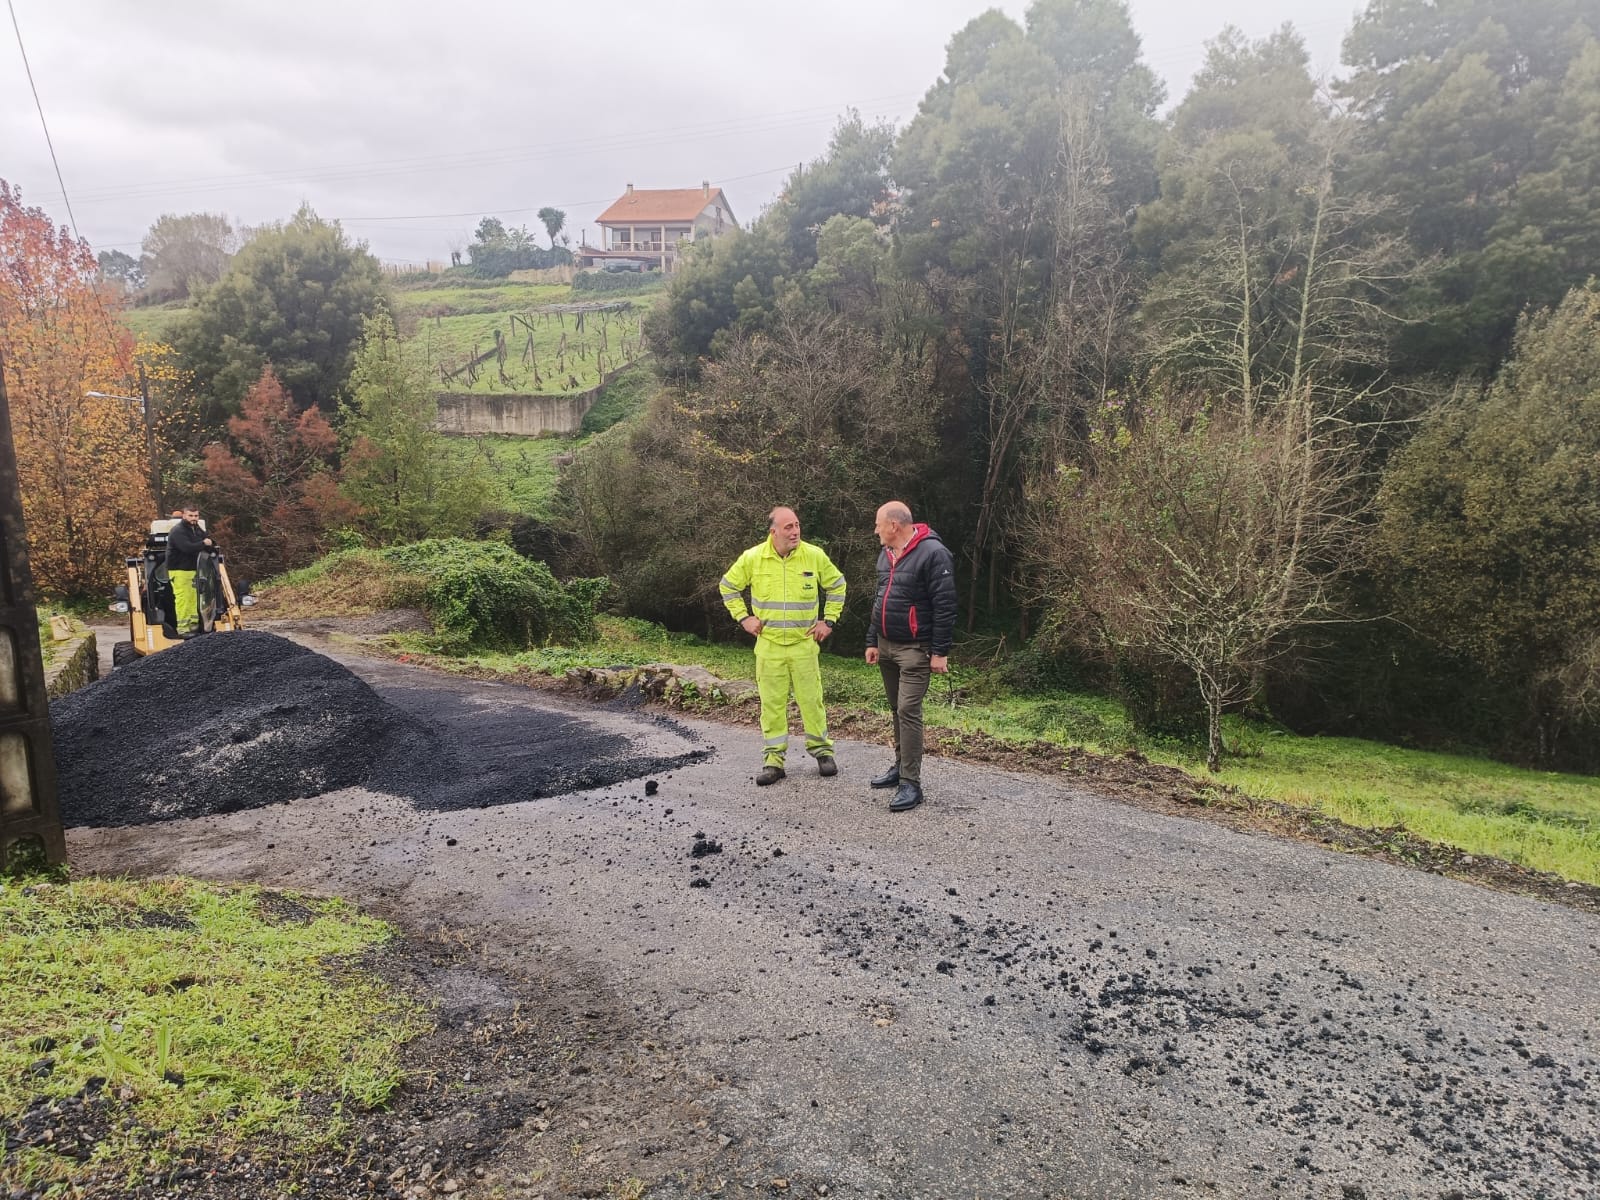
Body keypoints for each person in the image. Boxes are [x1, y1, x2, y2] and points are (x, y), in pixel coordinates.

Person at [719, 507, 847, 785]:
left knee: (812, 702)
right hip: (770, 647)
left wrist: (829, 621)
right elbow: (728, 586)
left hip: (804, 645)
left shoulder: (813, 555)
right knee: (772, 705)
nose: (795, 531)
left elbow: (837, 585)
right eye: (788, 527)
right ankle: (773, 761)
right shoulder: (753, 558)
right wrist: (743, 618)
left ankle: (823, 752)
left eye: (797, 525)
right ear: (773, 531)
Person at [864, 501, 957, 812]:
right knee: (895, 708)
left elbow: (945, 605)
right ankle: (899, 768)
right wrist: (871, 640)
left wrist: (940, 651)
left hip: (916, 648)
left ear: (894, 525)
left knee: (908, 709)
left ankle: (911, 784)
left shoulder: (933, 554)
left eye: (878, 524)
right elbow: (880, 599)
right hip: (886, 644)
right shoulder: (886, 554)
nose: (875, 530)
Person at [165, 503, 214, 636]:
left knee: (194, 600)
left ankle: (193, 627)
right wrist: (203, 543)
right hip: (180, 570)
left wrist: (207, 544)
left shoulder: (197, 529)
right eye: (191, 515)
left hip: (195, 569)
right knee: (184, 599)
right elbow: (187, 547)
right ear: (184, 515)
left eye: (196, 515)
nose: (194, 518)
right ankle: (183, 629)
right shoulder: (178, 531)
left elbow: (210, 542)